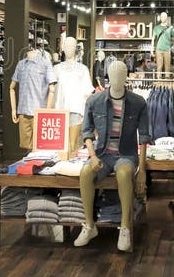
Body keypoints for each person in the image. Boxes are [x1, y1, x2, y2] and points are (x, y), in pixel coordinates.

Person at [75, 61, 149, 252]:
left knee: (124, 173)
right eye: (113, 74)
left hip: (126, 154)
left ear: (126, 77)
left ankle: (124, 228)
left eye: (121, 74)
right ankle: (89, 225)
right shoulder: (95, 101)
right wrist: (92, 156)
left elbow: (144, 137)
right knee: (85, 173)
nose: (117, 78)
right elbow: (87, 131)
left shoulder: (138, 102)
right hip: (102, 154)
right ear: (108, 76)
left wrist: (142, 170)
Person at [52, 36, 94, 152]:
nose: (69, 48)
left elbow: (88, 92)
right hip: (59, 111)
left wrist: (87, 115)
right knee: (59, 146)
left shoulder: (82, 69)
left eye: (72, 46)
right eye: (67, 45)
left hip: (76, 110)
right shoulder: (56, 69)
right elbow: (51, 91)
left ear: (75, 48)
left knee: (73, 145)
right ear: (63, 47)